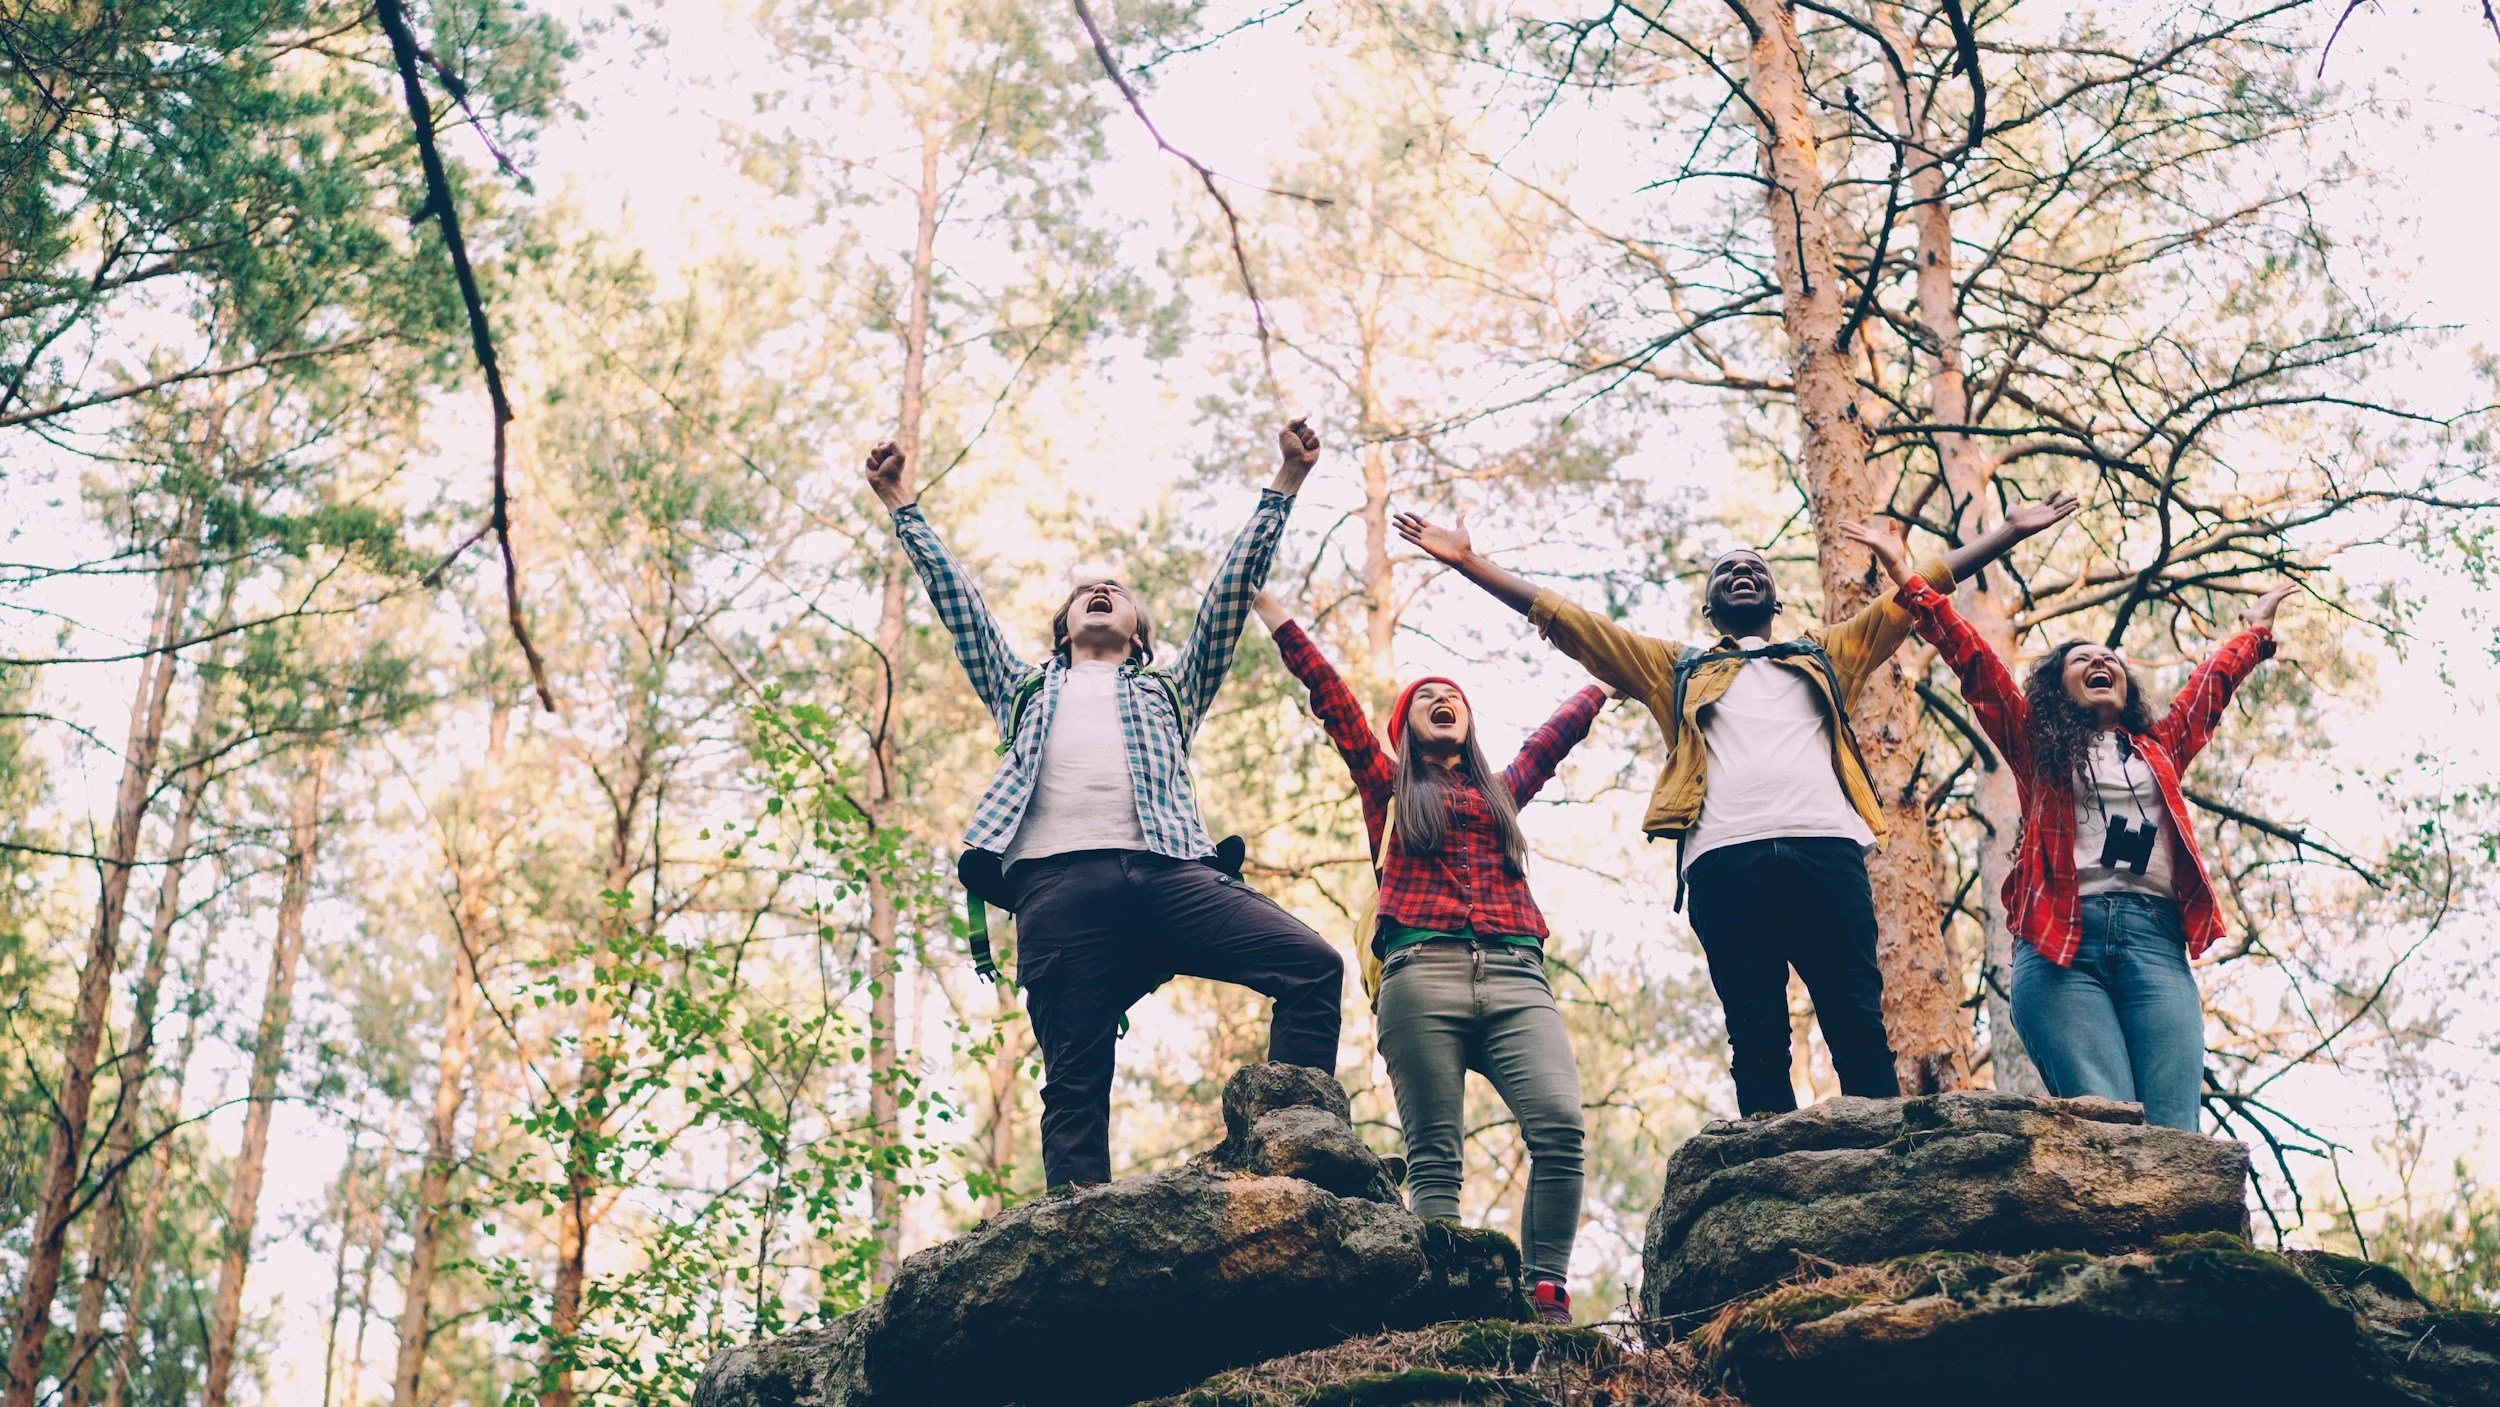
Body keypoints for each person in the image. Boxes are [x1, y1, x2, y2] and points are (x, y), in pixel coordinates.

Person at [1394, 499, 2077, 1115]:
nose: (1743, 573)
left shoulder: (1826, 653)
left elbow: (1917, 588)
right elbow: (1572, 623)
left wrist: (2006, 532)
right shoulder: (1676, 667)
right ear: (1709, 608)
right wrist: (1470, 562)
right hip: (1724, 863)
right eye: (1728, 572)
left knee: (1857, 1020)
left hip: (1827, 854)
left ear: (1776, 600)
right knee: (1756, 1030)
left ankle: (1883, 1161)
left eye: (1755, 569)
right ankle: (1771, 1176)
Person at [864, 423, 1343, 1190]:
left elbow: (1228, 592)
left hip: (1171, 876)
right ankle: (1079, 1248)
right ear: (1063, 627)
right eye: (1085, 592)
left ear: (1140, 632)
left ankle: (1293, 1155)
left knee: (1312, 964)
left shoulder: (1169, 690)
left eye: (1116, 592)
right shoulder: (1024, 688)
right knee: (1074, 1085)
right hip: (1057, 893)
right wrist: (900, 502)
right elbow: (961, 606)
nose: (1099, 591)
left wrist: (1286, 479)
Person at [1843, 518, 2295, 1131]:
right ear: (2058, 690)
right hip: (2062, 946)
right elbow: (1975, 661)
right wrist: (1906, 577)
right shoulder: (2037, 747)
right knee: (2110, 1126)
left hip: (2155, 942)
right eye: (2083, 659)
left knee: (2175, 1133)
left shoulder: (2158, 749)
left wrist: (2256, 631)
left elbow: (2208, 688)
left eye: (2111, 658)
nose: (2103, 660)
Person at [1252, 588, 1605, 1324]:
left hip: (1516, 976)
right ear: (1405, 726)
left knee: (1561, 1126)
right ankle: (1451, 1309)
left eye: (1453, 695)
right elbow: (1332, 697)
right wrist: (1276, 613)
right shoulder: (1387, 786)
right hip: (1420, 975)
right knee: (1436, 1154)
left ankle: (1545, 1291)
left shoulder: (1502, 793)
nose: (1443, 699)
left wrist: (1603, 681)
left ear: (1468, 721)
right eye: (1426, 696)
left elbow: (1552, 738)